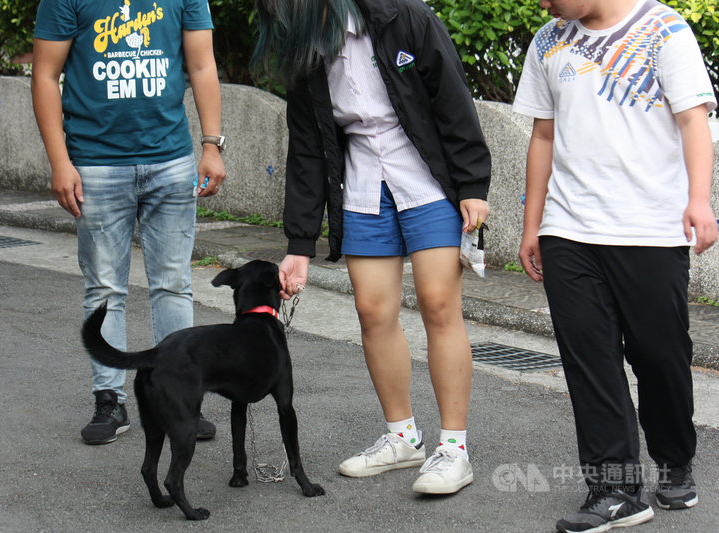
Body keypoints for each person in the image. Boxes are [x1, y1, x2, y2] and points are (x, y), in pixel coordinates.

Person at [254, 0, 491, 494]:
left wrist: (473, 185)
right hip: (363, 184)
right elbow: (307, 148)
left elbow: (453, 101)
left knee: (438, 302)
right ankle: (403, 438)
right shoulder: (306, 51)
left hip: (426, 179)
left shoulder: (405, 18)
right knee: (372, 310)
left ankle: (454, 449)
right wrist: (300, 241)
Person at [513, 0, 717, 531]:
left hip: (648, 229)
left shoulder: (663, 29)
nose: (542, 3)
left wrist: (700, 199)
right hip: (569, 230)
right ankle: (615, 488)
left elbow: (694, 120)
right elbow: (543, 134)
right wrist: (533, 225)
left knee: (659, 355)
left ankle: (674, 458)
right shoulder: (548, 40)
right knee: (590, 361)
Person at [31, 0, 227, 445]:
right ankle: (110, 400)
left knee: (174, 283)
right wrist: (59, 161)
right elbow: (44, 75)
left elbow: (201, 64)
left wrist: (212, 144)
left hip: (171, 160)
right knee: (104, 287)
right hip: (96, 164)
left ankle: (179, 399)